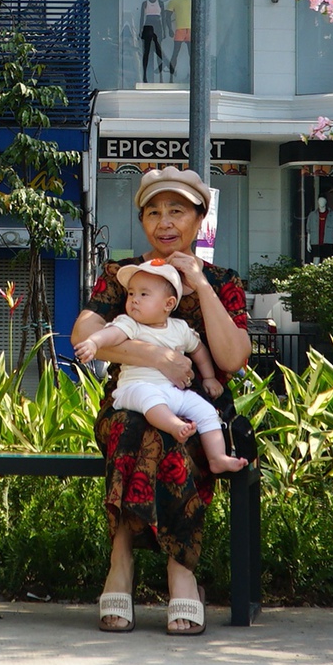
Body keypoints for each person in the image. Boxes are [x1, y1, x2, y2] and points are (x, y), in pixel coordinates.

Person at [70, 166, 252, 636]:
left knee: (178, 434)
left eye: (177, 211)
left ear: (199, 219)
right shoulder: (125, 276)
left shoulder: (223, 281)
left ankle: (173, 568)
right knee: (137, 426)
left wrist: (201, 285)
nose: (165, 222)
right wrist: (155, 356)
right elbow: (85, 334)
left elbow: (232, 359)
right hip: (131, 400)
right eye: (153, 212)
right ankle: (130, 562)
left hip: (202, 410)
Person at [72, 260, 247, 477]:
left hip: (172, 391)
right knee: (150, 399)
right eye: (131, 294)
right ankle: (174, 426)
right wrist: (93, 343)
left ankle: (217, 457)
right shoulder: (129, 323)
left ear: (168, 304)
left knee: (205, 411)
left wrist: (210, 377)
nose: (134, 299)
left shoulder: (179, 328)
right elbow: (110, 335)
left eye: (144, 294)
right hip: (135, 388)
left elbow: (198, 350)